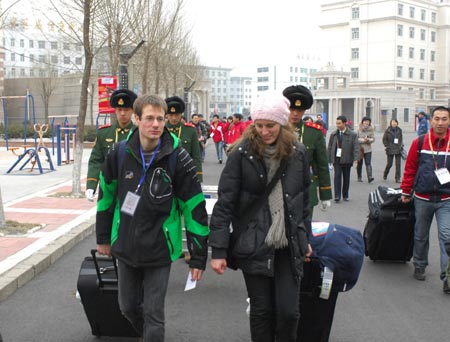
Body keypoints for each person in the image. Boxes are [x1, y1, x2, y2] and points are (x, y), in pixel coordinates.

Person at [96, 94, 209, 341]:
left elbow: (194, 208)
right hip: (125, 244)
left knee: (154, 313)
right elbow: (106, 198)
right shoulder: (119, 152)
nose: (156, 124)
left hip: (160, 248)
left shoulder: (178, 157)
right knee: (127, 307)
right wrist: (103, 237)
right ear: (137, 119)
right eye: (149, 118)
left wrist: (198, 256)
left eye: (160, 118)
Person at [209, 93, 312, 342]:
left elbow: (303, 201)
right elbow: (224, 204)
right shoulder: (241, 154)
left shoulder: (297, 154)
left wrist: (304, 236)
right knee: (262, 310)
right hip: (253, 241)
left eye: (271, 125)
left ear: (283, 124)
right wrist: (219, 251)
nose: (264, 131)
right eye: (259, 125)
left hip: (288, 243)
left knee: (289, 312)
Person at [401, 106, 450, 294]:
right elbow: (410, 168)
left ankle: (447, 277)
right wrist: (406, 191)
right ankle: (420, 264)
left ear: (448, 120)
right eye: (436, 118)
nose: (440, 122)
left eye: (444, 119)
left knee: (447, 237)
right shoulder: (420, 142)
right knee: (420, 235)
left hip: (446, 199)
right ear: (431, 120)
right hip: (422, 197)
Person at [283, 84, 332, 218]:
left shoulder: (314, 132)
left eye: (300, 109)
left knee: (304, 231)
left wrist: (325, 194)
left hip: (305, 190)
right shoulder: (275, 129)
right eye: (292, 108)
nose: (295, 113)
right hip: (280, 190)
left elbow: (322, 164)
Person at [85, 89, 137, 201]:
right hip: (108, 189)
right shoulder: (104, 133)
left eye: (126, 110)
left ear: (132, 111)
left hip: (132, 189)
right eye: (119, 109)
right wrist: (91, 185)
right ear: (115, 110)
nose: (122, 113)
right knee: (105, 217)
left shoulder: (139, 133)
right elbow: (96, 160)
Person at [165, 96, 203, 182]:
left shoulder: (190, 130)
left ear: (181, 115)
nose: (174, 118)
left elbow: (196, 156)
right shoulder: (161, 130)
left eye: (177, 115)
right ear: (166, 115)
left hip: (185, 174)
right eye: (171, 115)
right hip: (165, 175)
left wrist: (198, 177)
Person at [328, 115, 359, 202]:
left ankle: (345, 195)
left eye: (339, 123)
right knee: (337, 177)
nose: (337, 125)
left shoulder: (352, 134)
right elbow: (330, 147)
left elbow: (356, 147)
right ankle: (337, 195)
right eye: (336, 123)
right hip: (337, 159)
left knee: (346, 178)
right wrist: (329, 159)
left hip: (347, 158)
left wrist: (356, 158)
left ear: (344, 123)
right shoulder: (333, 134)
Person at [356, 116, 375, 183]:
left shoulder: (371, 129)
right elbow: (356, 139)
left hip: (368, 149)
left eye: (368, 121)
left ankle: (370, 177)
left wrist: (368, 140)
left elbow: (373, 139)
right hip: (360, 149)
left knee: (368, 163)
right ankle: (359, 177)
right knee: (359, 164)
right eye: (365, 121)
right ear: (362, 122)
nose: (366, 122)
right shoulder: (358, 129)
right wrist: (363, 140)